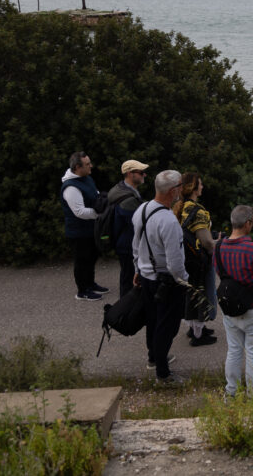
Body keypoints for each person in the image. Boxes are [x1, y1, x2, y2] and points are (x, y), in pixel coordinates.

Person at [132, 170, 191, 384]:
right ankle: (163, 373)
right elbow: (175, 261)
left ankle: (153, 357)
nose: (182, 189)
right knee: (168, 326)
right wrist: (184, 281)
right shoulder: (168, 221)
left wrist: (137, 269)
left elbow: (136, 244)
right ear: (173, 191)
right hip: (166, 281)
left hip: (146, 276)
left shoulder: (142, 210)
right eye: (180, 186)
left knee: (153, 320)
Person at [217, 205, 253, 399]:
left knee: (234, 350)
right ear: (248, 223)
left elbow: (220, 273)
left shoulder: (219, 247)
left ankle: (231, 393)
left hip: (229, 307)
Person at [173, 172, 217, 347]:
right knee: (201, 293)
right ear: (193, 187)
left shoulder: (179, 206)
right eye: (200, 184)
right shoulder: (198, 211)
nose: (202, 187)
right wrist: (216, 244)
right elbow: (206, 242)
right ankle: (198, 335)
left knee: (190, 293)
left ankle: (194, 328)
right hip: (198, 260)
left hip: (185, 257)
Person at [60, 151, 108, 301]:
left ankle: (90, 284)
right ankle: (82, 291)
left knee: (92, 257)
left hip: (90, 229)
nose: (91, 166)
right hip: (78, 232)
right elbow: (79, 212)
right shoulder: (71, 187)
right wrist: (100, 214)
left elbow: (96, 195)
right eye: (87, 164)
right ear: (77, 167)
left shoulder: (86, 178)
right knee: (82, 261)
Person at [107, 159, 148, 298]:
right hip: (127, 245)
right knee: (129, 279)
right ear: (130, 174)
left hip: (123, 242)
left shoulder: (122, 189)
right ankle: (125, 307)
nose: (144, 175)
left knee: (127, 276)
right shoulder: (127, 199)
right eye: (141, 172)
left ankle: (126, 305)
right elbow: (138, 223)